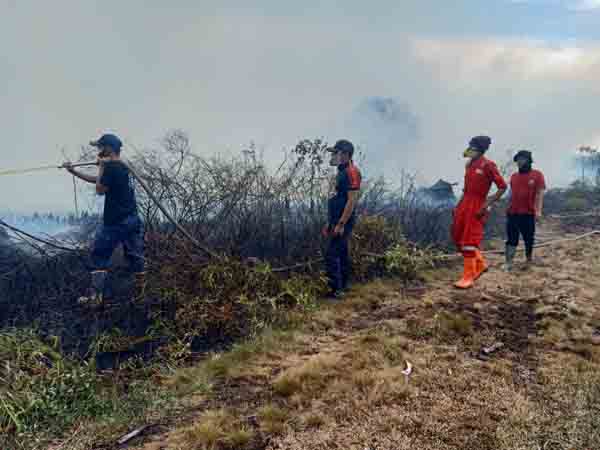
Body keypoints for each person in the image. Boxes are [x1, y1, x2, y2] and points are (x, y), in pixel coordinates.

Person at [63, 133, 145, 305]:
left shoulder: (111, 167)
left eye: (100, 147)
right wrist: (74, 172)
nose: (98, 150)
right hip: (132, 219)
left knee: (99, 256)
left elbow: (100, 189)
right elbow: (100, 181)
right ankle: (142, 295)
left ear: (108, 148)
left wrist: (101, 167)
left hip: (116, 222)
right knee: (135, 257)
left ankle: (95, 299)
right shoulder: (121, 166)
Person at [452, 136, 507, 289]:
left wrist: (486, 204)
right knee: (457, 235)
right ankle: (480, 264)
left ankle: (468, 276)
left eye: (473, 147)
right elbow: (466, 188)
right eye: (470, 146)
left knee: (469, 239)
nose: (470, 149)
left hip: (477, 204)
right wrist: (458, 206)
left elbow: (502, 187)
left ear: (480, 149)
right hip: (464, 202)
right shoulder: (469, 164)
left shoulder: (488, 165)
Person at [323, 139, 362, 299]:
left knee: (331, 254)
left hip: (343, 221)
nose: (332, 156)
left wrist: (341, 224)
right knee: (342, 252)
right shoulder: (341, 171)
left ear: (345, 154)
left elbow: (351, 201)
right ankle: (344, 286)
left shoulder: (352, 172)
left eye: (335, 153)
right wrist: (330, 222)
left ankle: (336, 291)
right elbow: (337, 198)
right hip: (337, 220)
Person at [504, 150, 546, 271]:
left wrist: (538, 211)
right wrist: (507, 207)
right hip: (513, 213)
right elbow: (511, 194)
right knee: (511, 238)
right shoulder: (514, 177)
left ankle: (528, 259)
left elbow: (539, 194)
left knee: (529, 238)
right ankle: (509, 262)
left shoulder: (537, 175)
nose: (519, 162)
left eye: (522, 159)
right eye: (518, 159)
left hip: (528, 213)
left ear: (529, 160)